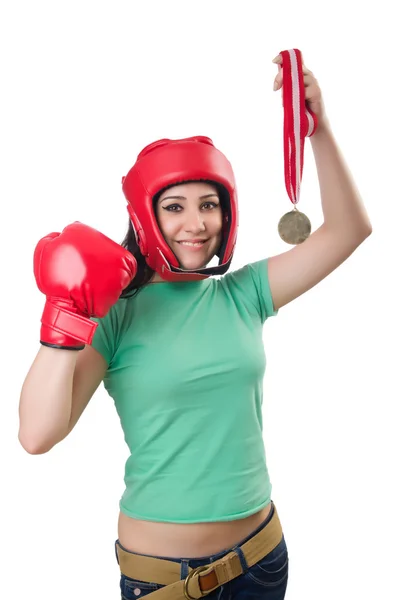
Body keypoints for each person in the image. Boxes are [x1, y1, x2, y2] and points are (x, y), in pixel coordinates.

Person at [19, 65, 372, 599]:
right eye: (175, 207)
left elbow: (349, 230)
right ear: (146, 216)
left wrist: (316, 126)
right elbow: (38, 435)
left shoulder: (244, 293)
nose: (196, 224)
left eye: (209, 204)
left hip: (262, 556)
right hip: (164, 578)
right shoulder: (116, 313)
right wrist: (66, 314)